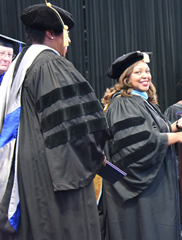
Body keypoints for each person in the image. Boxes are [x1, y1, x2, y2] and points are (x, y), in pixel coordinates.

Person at [0, 3, 108, 240]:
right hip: (55, 176)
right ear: (51, 33)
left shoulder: (18, 67)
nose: (67, 42)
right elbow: (74, 128)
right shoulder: (51, 65)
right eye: (66, 33)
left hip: (25, 170)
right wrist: (96, 154)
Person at [99, 51, 182, 240]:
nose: (145, 75)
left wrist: (176, 127)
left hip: (154, 181)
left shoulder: (141, 102)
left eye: (147, 71)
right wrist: (178, 138)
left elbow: (149, 133)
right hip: (139, 189)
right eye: (138, 72)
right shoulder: (123, 104)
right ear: (126, 78)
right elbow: (136, 144)